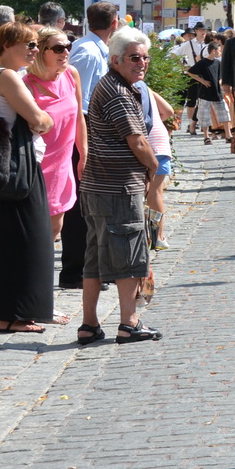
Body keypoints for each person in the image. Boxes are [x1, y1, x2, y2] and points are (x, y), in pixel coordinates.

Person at [77, 27, 162, 344]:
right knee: (129, 256)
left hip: (99, 186)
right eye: (134, 58)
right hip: (118, 188)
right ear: (115, 60)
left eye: (145, 57)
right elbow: (137, 141)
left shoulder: (113, 85)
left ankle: (89, 325)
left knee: (96, 258)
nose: (142, 63)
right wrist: (153, 167)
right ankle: (129, 323)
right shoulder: (118, 92)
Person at [0, 23, 58, 333]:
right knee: (27, 242)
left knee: (3, 243)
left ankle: (0, 312)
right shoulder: (6, 76)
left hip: (2, 171)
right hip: (19, 171)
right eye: (28, 44)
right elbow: (39, 119)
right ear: (6, 45)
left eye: (35, 44)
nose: (34, 50)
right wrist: (46, 119)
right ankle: (13, 316)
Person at [61, 1, 120, 290]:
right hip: (83, 135)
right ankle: (76, 271)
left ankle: (92, 269)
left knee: (92, 205)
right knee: (80, 207)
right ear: (114, 23)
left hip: (89, 132)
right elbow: (79, 105)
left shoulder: (95, 49)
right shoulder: (87, 52)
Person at [26, 26, 85, 243]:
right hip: (38, 167)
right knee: (35, 233)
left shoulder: (71, 74)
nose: (66, 52)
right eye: (59, 48)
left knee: (55, 229)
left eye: (68, 46)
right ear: (42, 51)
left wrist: (83, 153)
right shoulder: (27, 85)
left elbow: (79, 118)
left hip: (63, 164)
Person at [140, 73, 176, 247]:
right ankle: (157, 236)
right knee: (156, 193)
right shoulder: (145, 88)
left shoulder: (131, 88)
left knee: (153, 193)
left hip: (150, 144)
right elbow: (168, 111)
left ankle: (157, 237)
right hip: (161, 142)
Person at [187, 38, 230, 145]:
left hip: (217, 92)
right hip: (204, 93)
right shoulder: (202, 63)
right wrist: (202, 81)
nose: (220, 53)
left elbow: (220, 76)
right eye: (219, 50)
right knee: (204, 115)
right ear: (213, 51)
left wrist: (220, 82)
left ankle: (228, 135)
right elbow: (190, 72)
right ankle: (206, 137)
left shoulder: (218, 62)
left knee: (224, 113)